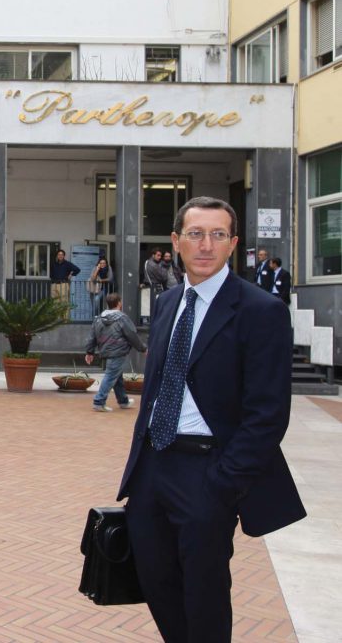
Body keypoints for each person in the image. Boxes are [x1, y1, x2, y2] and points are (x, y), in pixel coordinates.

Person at [117, 196, 306, 643]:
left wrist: (224, 482)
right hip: (153, 466)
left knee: (204, 592)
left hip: (208, 470)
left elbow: (268, 413)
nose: (206, 245)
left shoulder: (260, 310)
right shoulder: (167, 303)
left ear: (233, 243)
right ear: (176, 241)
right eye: (196, 234)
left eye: (218, 235)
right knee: (155, 579)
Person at [84, 293, 145, 412]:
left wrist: (89, 352)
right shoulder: (122, 318)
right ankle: (99, 401)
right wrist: (143, 348)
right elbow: (132, 335)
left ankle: (123, 401)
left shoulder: (99, 318)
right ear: (119, 303)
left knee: (117, 376)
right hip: (118, 350)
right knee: (111, 375)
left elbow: (92, 336)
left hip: (105, 350)